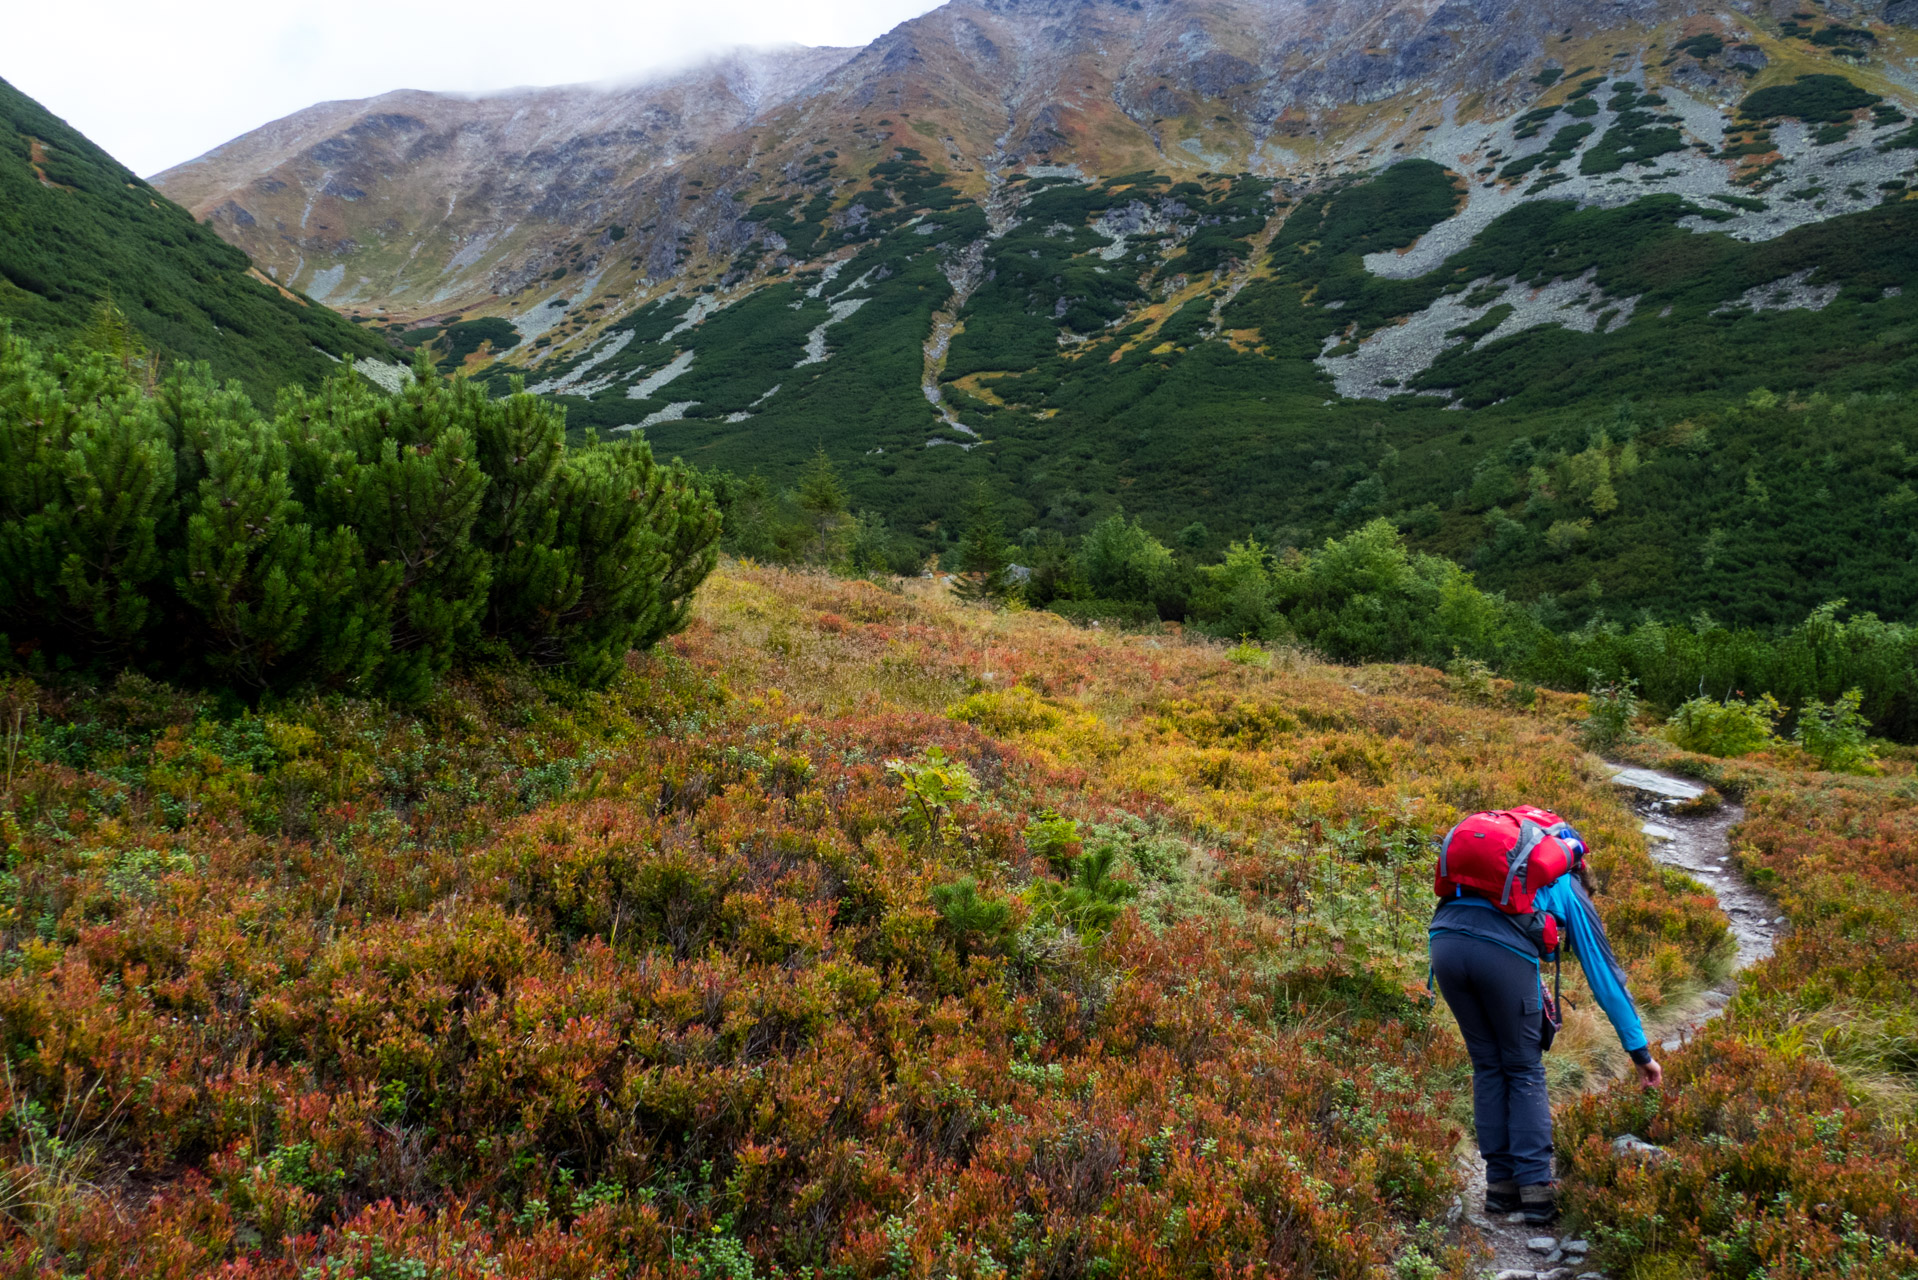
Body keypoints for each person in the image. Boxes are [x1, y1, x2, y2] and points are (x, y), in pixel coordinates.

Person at [1429, 817, 1662, 1226]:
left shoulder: (1505, 872)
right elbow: (1606, 981)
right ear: (1581, 874)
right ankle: (1536, 1191)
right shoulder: (1568, 887)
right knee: (1523, 1069)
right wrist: (1640, 1052)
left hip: (1444, 942)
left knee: (1488, 1065)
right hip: (1500, 953)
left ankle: (1500, 1188)